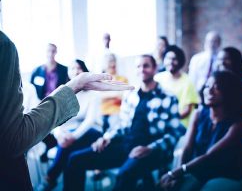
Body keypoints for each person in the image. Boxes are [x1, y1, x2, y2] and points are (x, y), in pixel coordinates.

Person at [0, 0, 133, 189]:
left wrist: (70, 133)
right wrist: (61, 129)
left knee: (71, 153)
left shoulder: (98, 91)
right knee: (68, 152)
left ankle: (50, 179)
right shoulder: (4, 47)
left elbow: (90, 121)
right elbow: (13, 140)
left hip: (88, 130)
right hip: (63, 132)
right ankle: (52, 178)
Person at [62, 55, 184, 191]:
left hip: (152, 150)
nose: (142, 69)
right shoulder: (131, 95)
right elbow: (122, 125)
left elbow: (175, 133)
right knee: (75, 159)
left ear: (155, 69)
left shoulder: (168, 97)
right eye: (138, 66)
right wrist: (106, 137)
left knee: (124, 175)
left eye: (146, 66)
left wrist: (150, 148)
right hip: (126, 145)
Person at [160, 71, 242, 191]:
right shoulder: (198, 114)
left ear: (229, 92)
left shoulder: (237, 125)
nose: (209, 91)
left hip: (225, 175)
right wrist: (178, 175)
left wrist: (176, 173)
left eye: (217, 87)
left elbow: (209, 156)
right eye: (207, 86)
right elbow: (187, 147)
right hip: (199, 171)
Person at [37, 59, 106, 190]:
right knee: (71, 157)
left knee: (68, 146)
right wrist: (59, 134)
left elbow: (89, 121)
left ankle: (50, 178)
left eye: (79, 68)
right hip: (68, 138)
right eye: (72, 68)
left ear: (84, 71)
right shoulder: (63, 93)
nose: (75, 71)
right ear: (68, 73)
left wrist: (72, 137)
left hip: (91, 133)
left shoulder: (93, 94)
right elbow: (54, 119)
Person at [30, 43, 69, 161]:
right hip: (41, 106)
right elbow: (31, 91)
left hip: (58, 104)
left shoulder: (64, 70)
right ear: (45, 52)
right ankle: (49, 147)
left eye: (53, 51)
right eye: (48, 51)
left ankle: (55, 148)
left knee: (56, 126)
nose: (51, 54)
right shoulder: (37, 71)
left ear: (56, 52)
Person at [155, 45, 199, 128]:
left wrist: (168, 120)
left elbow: (187, 110)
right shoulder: (157, 78)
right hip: (160, 125)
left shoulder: (188, 81)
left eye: (174, 59)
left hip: (180, 126)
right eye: (168, 58)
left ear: (180, 61)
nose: (170, 62)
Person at [100, 53, 128, 131]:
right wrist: (115, 93)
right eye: (109, 62)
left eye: (113, 61)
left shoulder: (123, 79)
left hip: (116, 111)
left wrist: (105, 94)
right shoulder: (99, 80)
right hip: (101, 112)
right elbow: (97, 97)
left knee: (114, 128)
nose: (112, 64)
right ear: (104, 64)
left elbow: (123, 96)